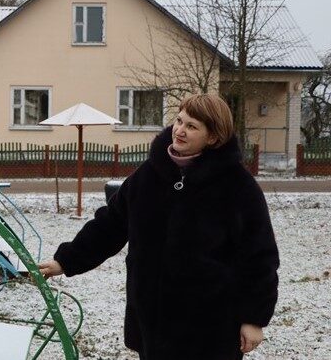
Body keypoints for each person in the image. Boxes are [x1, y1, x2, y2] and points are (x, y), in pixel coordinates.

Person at [39, 94, 279, 360]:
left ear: (212, 137)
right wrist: (66, 260)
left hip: (209, 326)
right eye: (179, 121)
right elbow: (111, 224)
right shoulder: (149, 175)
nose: (180, 130)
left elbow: (260, 257)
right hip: (152, 320)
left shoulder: (237, 186)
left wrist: (253, 318)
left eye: (192, 126)